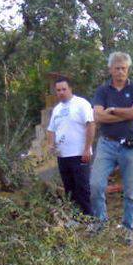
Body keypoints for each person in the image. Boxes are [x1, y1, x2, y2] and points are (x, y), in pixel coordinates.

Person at [89, 52, 133, 246]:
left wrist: (112, 110)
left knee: (130, 191)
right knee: (96, 185)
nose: (120, 71)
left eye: (124, 68)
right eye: (117, 68)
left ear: (128, 69)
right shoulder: (103, 91)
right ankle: (100, 222)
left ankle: (128, 229)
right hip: (107, 144)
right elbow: (98, 117)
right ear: (110, 69)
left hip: (130, 145)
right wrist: (127, 114)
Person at [46, 76, 95, 215]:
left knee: (83, 189)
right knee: (69, 190)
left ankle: (90, 219)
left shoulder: (81, 104)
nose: (61, 92)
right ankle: (75, 219)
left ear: (70, 89)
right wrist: (50, 144)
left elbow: (91, 124)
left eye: (64, 89)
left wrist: (87, 148)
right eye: (58, 90)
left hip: (79, 155)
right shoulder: (56, 109)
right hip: (62, 156)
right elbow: (50, 129)